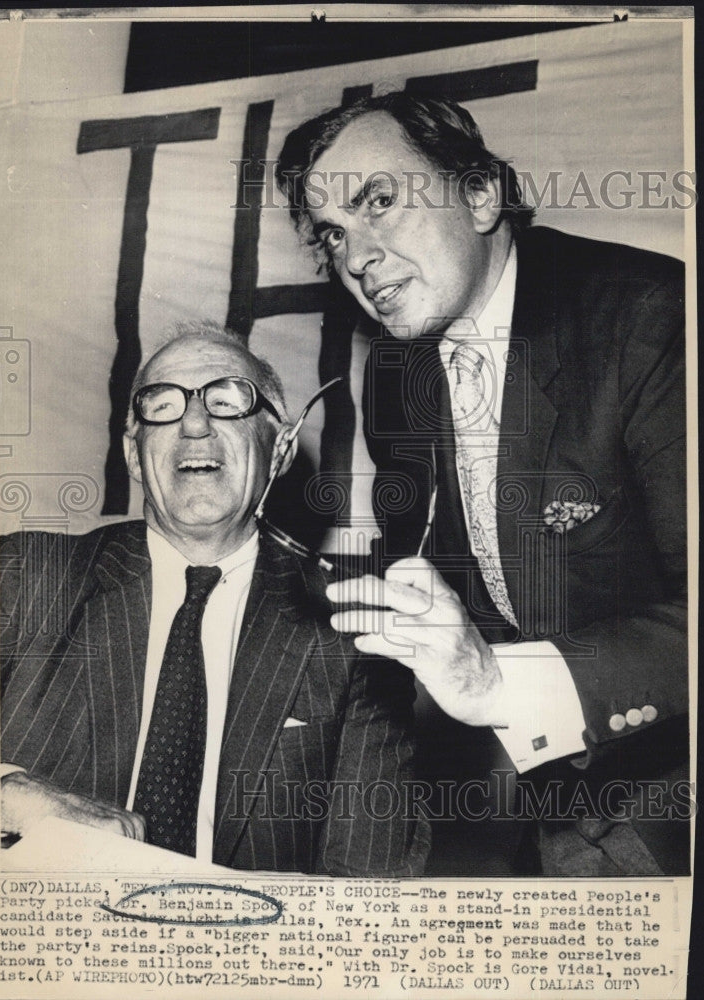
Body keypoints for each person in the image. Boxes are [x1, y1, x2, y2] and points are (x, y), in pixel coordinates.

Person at [277, 92, 688, 875]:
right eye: (333, 233)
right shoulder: (396, 374)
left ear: (479, 194)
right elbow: (451, 600)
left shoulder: (649, 315)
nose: (355, 257)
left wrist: (503, 685)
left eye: (379, 204)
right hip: (542, 800)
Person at [0, 322, 429, 876]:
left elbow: (372, 893)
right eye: (163, 406)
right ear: (133, 453)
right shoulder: (21, 577)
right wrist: (3, 795)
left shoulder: (353, 631)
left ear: (280, 450)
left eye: (227, 403)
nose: (195, 426)